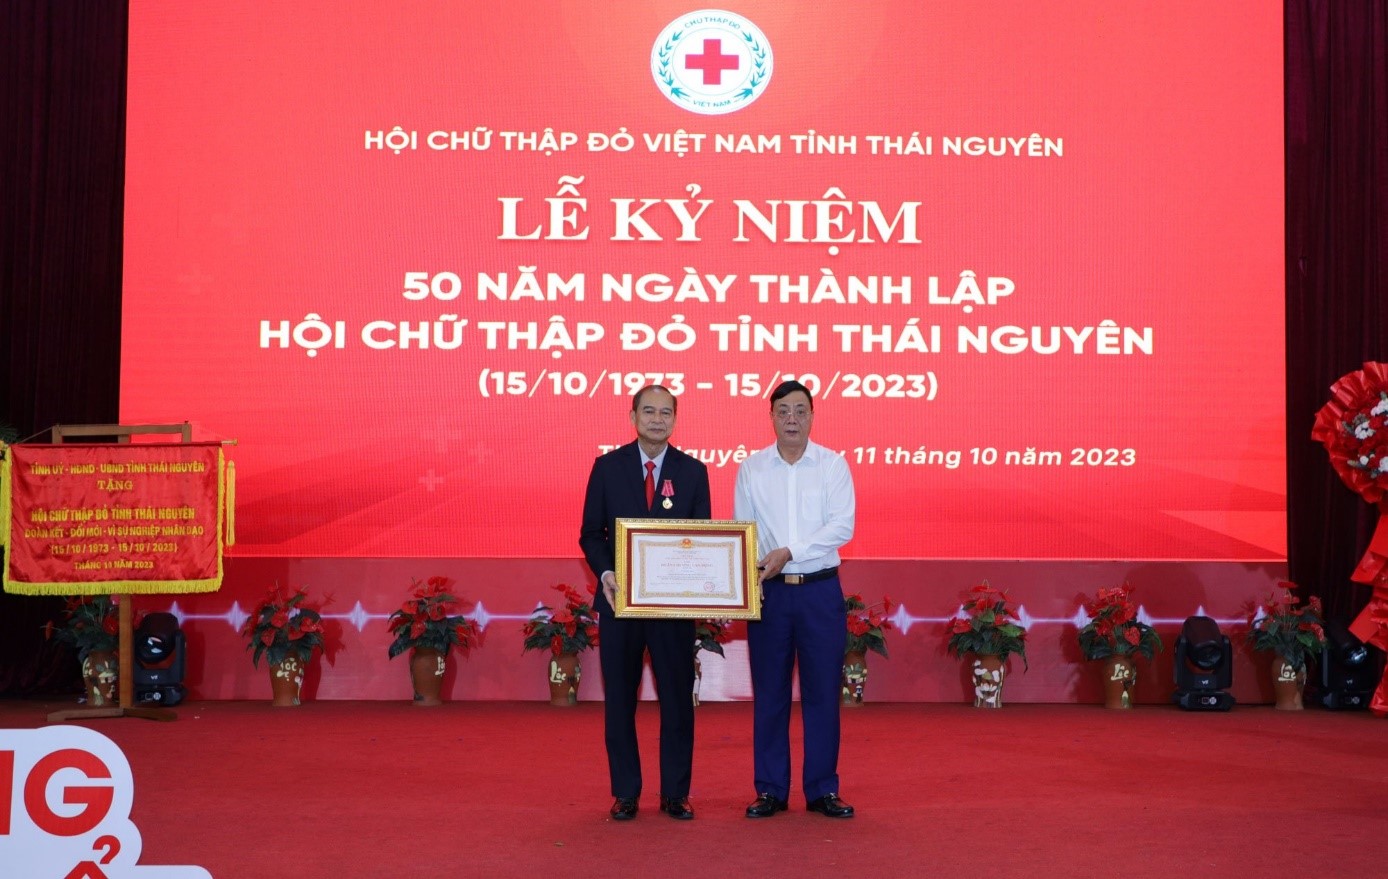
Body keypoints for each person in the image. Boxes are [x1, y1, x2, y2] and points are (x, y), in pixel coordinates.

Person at [579, 385, 711, 821]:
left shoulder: (693, 472)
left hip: (673, 607)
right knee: (620, 700)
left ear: (675, 419)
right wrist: (607, 573)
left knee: (677, 701)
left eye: (665, 412)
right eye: (649, 411)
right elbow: (591, 534)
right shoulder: (607, 467)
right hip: (620, 603)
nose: (657, 419)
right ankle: (625, 792)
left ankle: (675, 793)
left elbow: (702, 539)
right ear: (633, 416)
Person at [734, 379, 856, 819]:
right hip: (770, 594)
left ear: (812, 416)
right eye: (783, 411)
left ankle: (822, 789)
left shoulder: (833, 466)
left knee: (822, 693)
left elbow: (842, 527)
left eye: (800, 411)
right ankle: (770, 789)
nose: (792, 419)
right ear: (771, 417)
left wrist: (790, 552)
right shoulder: (752, 468)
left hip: (820, 591)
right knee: (770, 694)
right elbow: (743, 530)